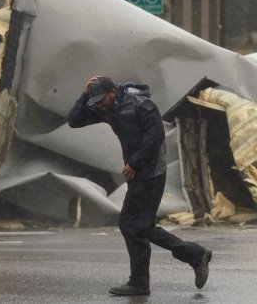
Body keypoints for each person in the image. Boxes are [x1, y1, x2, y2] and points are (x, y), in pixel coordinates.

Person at [68, 75, 212, 296]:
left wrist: (135, 163)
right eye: (94, 101)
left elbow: (155, 136)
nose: (98, 105)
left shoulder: (141, 105)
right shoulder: (105, 107)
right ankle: (184, 260)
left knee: (133, 224)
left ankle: (151, 276)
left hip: (152, 172)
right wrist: (85, 94)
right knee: (136, 226)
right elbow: (74, 121)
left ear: (113, 93)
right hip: (138, 173)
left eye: (100, 99)